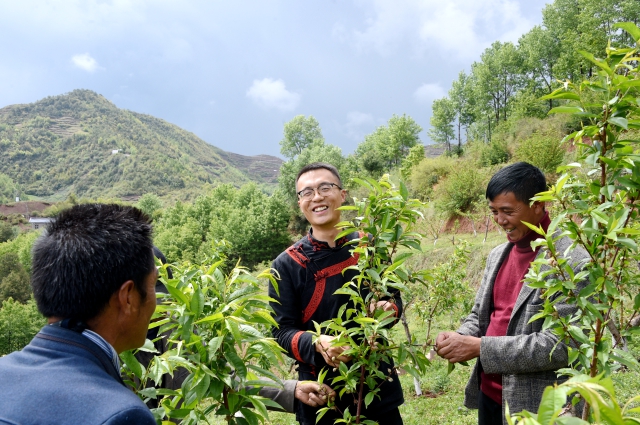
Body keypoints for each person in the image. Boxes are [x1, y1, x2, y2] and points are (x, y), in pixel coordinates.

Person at [0, 204, 332, 425]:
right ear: (129, 297)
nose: (161, 305)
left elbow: (193, 376)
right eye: (156, 288)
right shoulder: (119, 414)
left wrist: (287, 391)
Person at [435, 162, 589, 424]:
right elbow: (481, 316)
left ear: (538, 205)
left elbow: (562, 345)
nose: (499, 221)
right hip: (491, 396)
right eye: (494, 212)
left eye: (507, 211)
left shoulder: (571, 260)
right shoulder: (498, 255)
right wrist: (459, 338)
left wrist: (481, 347)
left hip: (541, 406)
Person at [269, 162, 405, 425]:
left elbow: (394, 299)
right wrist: (319, 343)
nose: (317, 197)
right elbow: (281, 332)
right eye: (306, 192)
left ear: (342, 195)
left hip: (377, 384)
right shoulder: (286, 265)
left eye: (325, 187)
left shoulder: (371, 245)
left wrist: (389, 310)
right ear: (300, 203)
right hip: (322, 393)